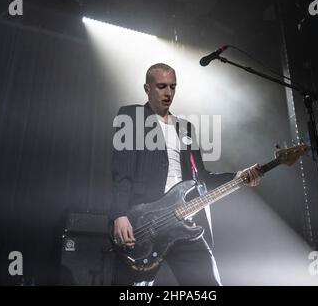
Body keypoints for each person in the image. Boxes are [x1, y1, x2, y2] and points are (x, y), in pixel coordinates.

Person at [110, 63, 263, 286]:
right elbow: (121, 170)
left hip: (182, 220)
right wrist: (119, 214)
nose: (168, 93)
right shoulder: (131, 116)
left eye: (173, 87)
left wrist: (239, 176)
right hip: (143, 223)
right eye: (162, 86)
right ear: (147, 88)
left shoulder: (185, 128)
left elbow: (201, 178)